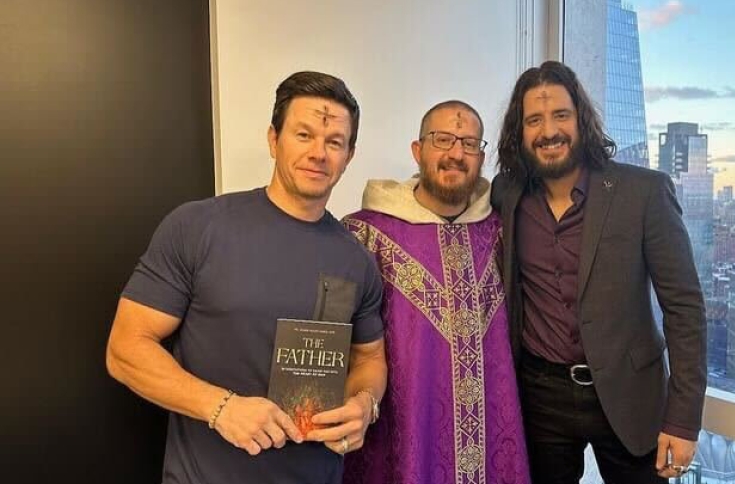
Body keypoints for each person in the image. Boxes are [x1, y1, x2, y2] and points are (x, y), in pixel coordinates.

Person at [105, 71, 387, 484]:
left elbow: (368, 358)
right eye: (304, 134)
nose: (319, 154)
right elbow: (125, 349)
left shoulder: (357, 260)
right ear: (274, 140)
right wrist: (221, 408)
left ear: (349, 155)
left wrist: (365, 404)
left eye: (334, 142)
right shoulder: (198, 227)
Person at [491, 60, 707, 483]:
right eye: (534, 119)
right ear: (520, 132)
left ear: (581, 119)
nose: (548, 131)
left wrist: (683, 421)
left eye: (560, 115)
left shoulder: (643, 192)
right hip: (540, 397)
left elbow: (684, 309)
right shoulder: (507, 194)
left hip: (631, 396)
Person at [341, 100, 530, 484]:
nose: (456, 153)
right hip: (404, 427)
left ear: (481, 156)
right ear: (418, 150)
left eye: (469, 143)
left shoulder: (502, 231)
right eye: (442, 139)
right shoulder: (365, 234)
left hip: (494, 430)